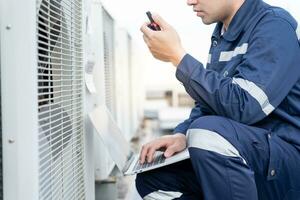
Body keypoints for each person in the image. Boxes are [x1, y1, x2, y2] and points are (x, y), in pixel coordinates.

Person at [137, 0, 300, 199]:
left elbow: (246, 106)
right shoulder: (222, 34)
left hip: (284, 165)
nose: (190, 1)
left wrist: (178, 57)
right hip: (248, 153)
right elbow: (211, 104)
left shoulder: (274, 26)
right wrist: (182, 134)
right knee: (153, 180)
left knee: (208, 133)